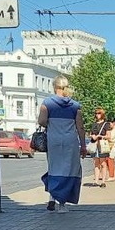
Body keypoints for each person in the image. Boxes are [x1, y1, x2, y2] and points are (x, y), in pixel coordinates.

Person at [37, 75, 86, 213]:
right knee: (69, 170)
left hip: (54, 140)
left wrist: (51, 125)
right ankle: (62, 204)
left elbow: (41, 121)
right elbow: (80, 127)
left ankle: (52, 198)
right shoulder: (75, 106)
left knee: (54, 168)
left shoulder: (47, 103)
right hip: (70, 141)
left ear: (54, 86)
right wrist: (83, 145)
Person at [89, 108, 111, 187]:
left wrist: (100, 136)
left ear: (102, 115)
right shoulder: (94, 124)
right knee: (96, 163)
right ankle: (96, 180)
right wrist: (92, 136)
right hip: (94, 145)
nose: (97, 115)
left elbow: (109, 136)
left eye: (99, 113)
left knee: (103, 163)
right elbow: (90, 134)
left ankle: (103, 181)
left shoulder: (106, 124)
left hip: (102, 146)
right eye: (96, 113)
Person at [106, 116, 115, 181]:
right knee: (106, 161)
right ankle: (109, 175)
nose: (109, 125)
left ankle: (112, 176)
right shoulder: (111, 129)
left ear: (114, 123)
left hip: (112, 147)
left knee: (110, 161)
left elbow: (111, 139)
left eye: (110, 123)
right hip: (108, 147)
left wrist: (105, 137)